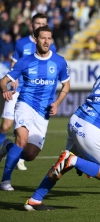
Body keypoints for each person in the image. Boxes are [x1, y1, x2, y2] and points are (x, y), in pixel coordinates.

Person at [23, 40, 100, 211]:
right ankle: (73, 160)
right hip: (93, 128)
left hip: (77, 121)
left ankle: (35, 199)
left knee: (63, 166)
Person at [0, 25, 70, 191]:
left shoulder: (59, 61)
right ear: (36, 39)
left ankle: (7, 146)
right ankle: (5, 181)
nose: (46, 41)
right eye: (43, 38)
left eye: (49, 38)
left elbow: (66, 86)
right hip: (25, 104)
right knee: (22, 140)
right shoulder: (25, 61)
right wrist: (5, 90)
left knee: (29, 154)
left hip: (43, 112)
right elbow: (3, 81)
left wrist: (57, 103)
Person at [0, 13, 56, 171]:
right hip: (18, 89)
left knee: (27, 138)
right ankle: (6, 147)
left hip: (35, 95)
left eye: (43, 23)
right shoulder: (21, 43)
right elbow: (14, 62)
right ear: (32, 25)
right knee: (5, 126)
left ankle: (17, 154)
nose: (40, 25)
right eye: (37, 23)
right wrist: (13, 76)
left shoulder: (50, 45)